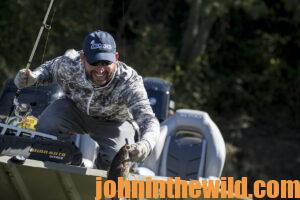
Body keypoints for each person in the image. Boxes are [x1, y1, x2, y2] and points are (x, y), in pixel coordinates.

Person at [14, 30, 160, 170]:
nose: (100, 69)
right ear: (83, 57)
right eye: (94, 63)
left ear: (116, 58)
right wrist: (33, 77)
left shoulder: (129, 82)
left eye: (105, 62)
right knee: (46, 125)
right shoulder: (70, 64)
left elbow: (149, 120)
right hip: (74, 110)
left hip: (114, 123)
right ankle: (68, 161)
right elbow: (49, 69)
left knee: (120, 159)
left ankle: (99, 176)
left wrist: (145, 145)